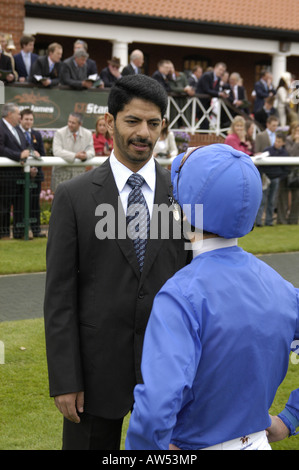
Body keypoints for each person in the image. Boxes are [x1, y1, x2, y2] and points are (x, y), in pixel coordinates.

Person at [44, 74, 190, 450]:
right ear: (109, 122)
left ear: (163, 127)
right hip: (93, 376)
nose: (143, 132)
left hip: (168, 372)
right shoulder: (73, 197)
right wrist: (65, 378)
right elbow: (59, 297)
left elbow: (194, 283)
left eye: (153, 123)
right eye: (133, 121)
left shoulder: (184, 196)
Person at [125, 143, 299, 451]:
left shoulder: (180, 294)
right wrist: (290, 417)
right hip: (257, 442)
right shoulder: (280, 286)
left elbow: (156, 405)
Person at [0, 103, 29, 239]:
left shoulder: (17, 129)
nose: (20, 116)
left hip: (20, 174)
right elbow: (1, 149)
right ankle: (3, 233)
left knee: (19, 205)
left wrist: (31, 153)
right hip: (5, 175)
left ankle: (19, 233)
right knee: (4, 205)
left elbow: (25, 146)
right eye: (18, 114)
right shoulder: (1, 127)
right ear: (9, 114)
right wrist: (18, 156)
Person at [19, 108, 46, 238]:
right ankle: (22, 230)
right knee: (21, 204)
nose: (28, 122)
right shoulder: (17, 133)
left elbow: (43, 153)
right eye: (26, 119)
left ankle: (36, 230)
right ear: (21, 119)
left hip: (36, 176)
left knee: (35, 203)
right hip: (21, 176)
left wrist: (37, 157)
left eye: (31, 119)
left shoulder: (37, 134)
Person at [51, 112, 95, 192]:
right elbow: (57, 151)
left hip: (79, 176)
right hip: (61, 175)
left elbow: (91, 151)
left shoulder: (88, 134)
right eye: (69, 121)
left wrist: (86, 156)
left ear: (80, 124)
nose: (70, 124)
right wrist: (75, 155)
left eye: (73, 123)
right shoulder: (59, 133)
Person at [255, 132, 289, 227]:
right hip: (266, 178)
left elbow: (286, 169)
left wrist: (279, 177)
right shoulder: (267, 150)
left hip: (276, 179)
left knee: (272, 201)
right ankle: (258, 221)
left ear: (283, 143)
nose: (276, 143)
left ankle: (269, 221)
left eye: (279, 142)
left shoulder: (284, 154)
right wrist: (263, 176)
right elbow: (260, 164)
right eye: (276, 141)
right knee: (263, 200)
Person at [277, 122, 299, 225]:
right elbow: (290, 154)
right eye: (297, 130)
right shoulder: (288, 140)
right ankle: (282, 220)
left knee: (297, 197)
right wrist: (297, 142)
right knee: (283, 197)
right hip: (286, 170)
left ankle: (293, 219)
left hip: (297, 172)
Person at [196, 62, 227, 129]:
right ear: (215, 68)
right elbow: (207, 89)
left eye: (223, 71)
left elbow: (216, 90)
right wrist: (219, 94)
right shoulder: (207, 75)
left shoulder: (218, 79)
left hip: (208, 104)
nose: (221, 72)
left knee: (206, 124)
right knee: (203, 123)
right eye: (220, 69)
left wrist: (222, 93)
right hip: (199, 102)